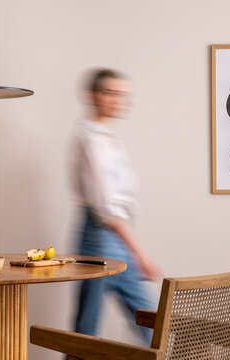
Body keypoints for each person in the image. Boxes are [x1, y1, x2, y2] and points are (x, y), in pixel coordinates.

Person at [70, 68, 162, 346]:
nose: (117, 100)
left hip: (114, 237)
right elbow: (107, 208)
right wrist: (140, 254)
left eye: (123, 95)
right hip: (100, 237)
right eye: (110, 93)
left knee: (148, 320)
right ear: (92, 96)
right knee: (87, 330)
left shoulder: (108, 137)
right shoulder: (92, 140)